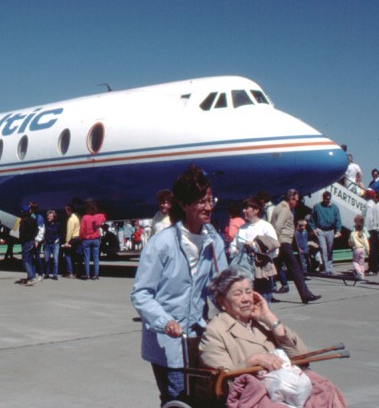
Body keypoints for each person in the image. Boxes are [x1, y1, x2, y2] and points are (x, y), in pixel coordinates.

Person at [130, 164, 228, 406]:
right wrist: (165, 322)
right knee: (176, 397)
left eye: (210, 200)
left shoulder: (214, 241)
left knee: (204, 397)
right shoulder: (161, 243)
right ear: (184, 205)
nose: (208, 207)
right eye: (201, 201)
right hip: (167, 339)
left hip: (199, 336)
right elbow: (141, 293)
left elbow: (221, 286)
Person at [199, 267, 347, 406]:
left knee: (325, 390)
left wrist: (271, 320)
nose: (246, 299)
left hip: (286, 384)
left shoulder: (261, 321)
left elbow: (300, 355)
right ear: (222, 302)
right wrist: (252, 361)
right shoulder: (215, 330)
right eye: (237, 294)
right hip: (255, 392)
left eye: (248, 291)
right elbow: (221, 376)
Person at [270, 189, 321, 303]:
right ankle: (305, 294)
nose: (297, 203)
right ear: (291, 199)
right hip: (283, 243)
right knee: (296, 269)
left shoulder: (278, 207)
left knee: (273, 270)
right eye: (296, 200)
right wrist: (276, 243)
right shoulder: (285, 209)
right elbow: (277, 226)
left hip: (280, 244)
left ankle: (266, 294)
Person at [231, 197, 279, 303]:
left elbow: (275, 249)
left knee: (262, 301)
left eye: (247, 208)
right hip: (244, 269)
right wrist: (233, 250)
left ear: (256, 210)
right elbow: (234, 244)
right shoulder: (242, 228)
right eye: (243, 208)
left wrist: (255, 247)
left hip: (261, 270)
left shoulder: (266, 226)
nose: (243, 211)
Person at [309, 191, 341, 275]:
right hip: (321, 230)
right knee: (323, 249)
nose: (327, 201)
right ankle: (326, 269)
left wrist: (338, 230)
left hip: (331, 230)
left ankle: (329, 266)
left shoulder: (334, 207)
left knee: (330, 249)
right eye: (326, 199)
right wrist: (314, 229)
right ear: (323, 198)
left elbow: (338, 219)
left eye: (329, 199)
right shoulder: (317, 207)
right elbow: (311, 220)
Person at [80, 201, 105, 280]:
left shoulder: (85, 217)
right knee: (96, 258)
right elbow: (103, 218)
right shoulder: (99, 216)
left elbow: (82, 230)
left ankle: (87, 275)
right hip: (96, 239)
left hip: (86, 239)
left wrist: (81, 238)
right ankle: (96, 275)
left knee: (86, 258)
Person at [17, 206, 39, 286]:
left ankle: (31, 277)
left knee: (25, 260)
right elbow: (37, 230)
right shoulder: (33, 220)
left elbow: (21, 232)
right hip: (32, 240)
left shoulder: (23, 221)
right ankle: (32, 276)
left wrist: (21, 239)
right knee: (30, 259)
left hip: (26, 241)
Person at [349, 214, 369, 281]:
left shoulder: (353, 233)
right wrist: (368, 249)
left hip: (356, 248)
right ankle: (362, 274)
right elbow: (366, 242)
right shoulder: (363, 233)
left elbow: (350, 241)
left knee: (355, 262)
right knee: (361, 262)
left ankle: (358, 271)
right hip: (362, 249)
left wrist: (351, 245)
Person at [62, 204, 80, 278]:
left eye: (66, 210)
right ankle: (76, 271)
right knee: (75, 256)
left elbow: (69, 231)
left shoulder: (70, 219)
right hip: (78, 238)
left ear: (69, 210)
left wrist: (67, 241)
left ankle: (70, 272)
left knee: (67, 255)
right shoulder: (76, 218)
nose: (65, 212)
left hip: (72, 238)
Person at [42, 209, 61, 279]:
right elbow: (43, 233)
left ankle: (55, 274)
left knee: (55, 260)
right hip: (47, 244)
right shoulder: (45, 225)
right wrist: (44, 240)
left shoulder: (57, 224)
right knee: (46, 260)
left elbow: (60, 234)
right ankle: (47, 273)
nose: (48, 217)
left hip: (55, 244)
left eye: (50, 216)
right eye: (48, 216)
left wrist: (58, 239)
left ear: (54, 217)